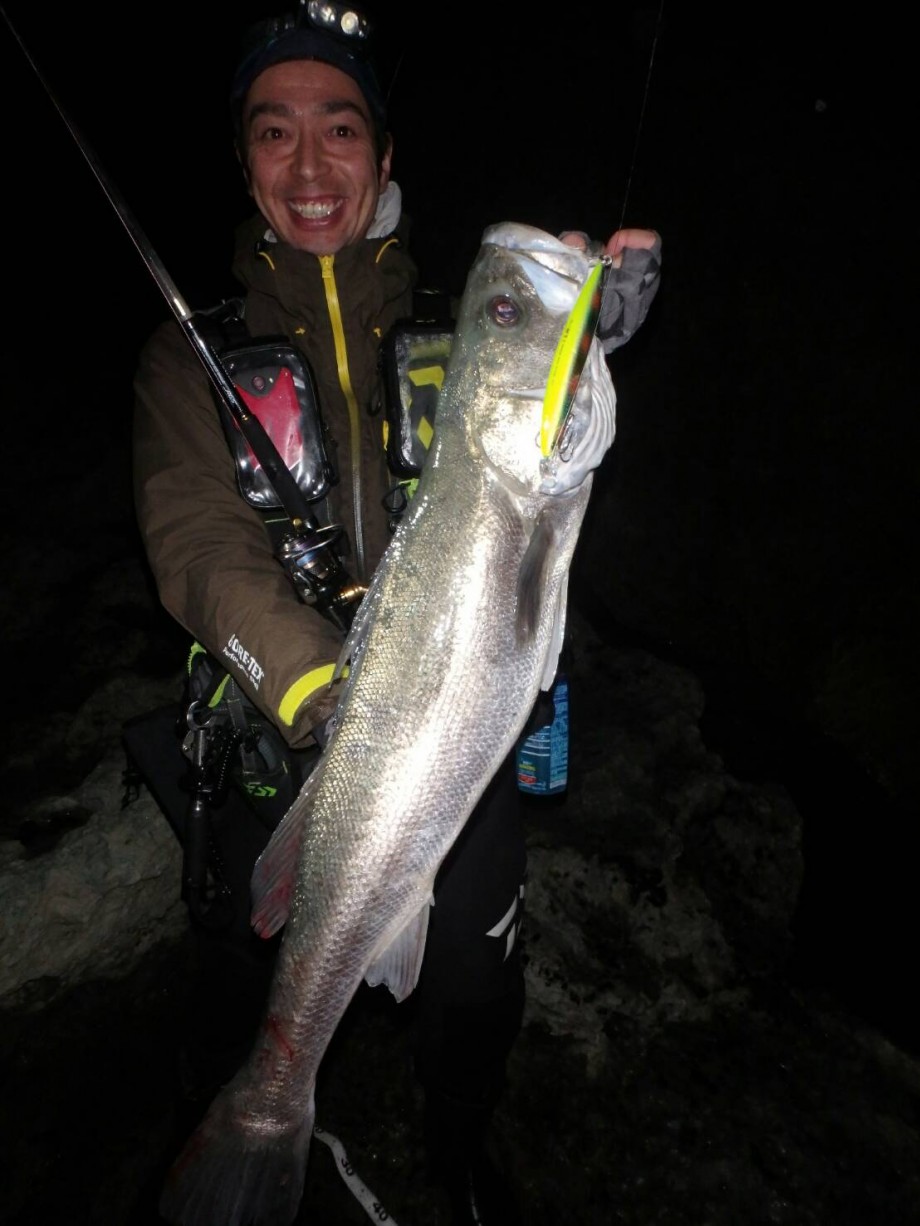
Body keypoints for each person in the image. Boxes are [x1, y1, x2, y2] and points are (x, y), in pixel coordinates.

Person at [131, 4, 661, 1223]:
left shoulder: (439, 327)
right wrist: (330, 697)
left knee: (473, 992)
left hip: (450, 747)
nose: (309, 165)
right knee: (237, 988)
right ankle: (263, 1110)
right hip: (286, 737)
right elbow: (197, 548)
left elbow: (536, 451)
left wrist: (582, 342)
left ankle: (455, 1152)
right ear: (244, 160)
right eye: (275, 132)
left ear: (381, 153)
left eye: (340, 127)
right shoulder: (187, 359)